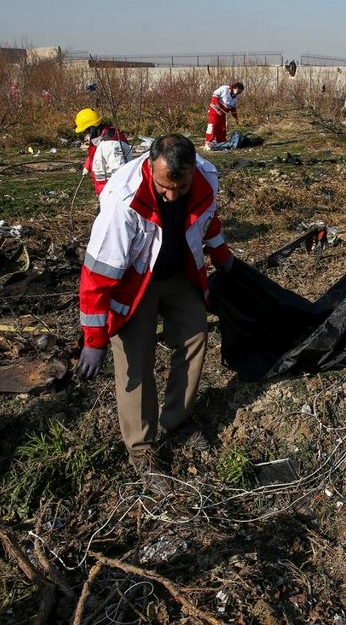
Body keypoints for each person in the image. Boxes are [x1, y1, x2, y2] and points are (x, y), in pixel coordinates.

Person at [74, 134, 234, 487]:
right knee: (136, 360)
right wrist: (94, 338)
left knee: (196, 335)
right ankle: (141, 447)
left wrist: (222, 255)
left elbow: (208, 219)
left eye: (181, 186)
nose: (172, 195)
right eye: (165, 187)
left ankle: (175, 420)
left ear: (193, 170)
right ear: (150, 166)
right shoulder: (123, 201)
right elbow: (97, 275)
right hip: (134, 283)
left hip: (178, 272)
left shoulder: (206, 177)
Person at [74, 108, 133, 196]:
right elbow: (95, 153)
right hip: (106, 193)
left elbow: (120, 173)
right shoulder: (102, 139)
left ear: (92, 129)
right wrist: (87, 166)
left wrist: (116, 199)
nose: (85, 136)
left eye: (85, 132)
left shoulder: (110, 145)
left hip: (114, 195)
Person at [205, 81, 244, 151]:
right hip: (214, 112)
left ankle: (221, 142)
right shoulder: (224, 89)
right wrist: (218, 109)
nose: (240, 93)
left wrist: (236, 118)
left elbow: (233, 109)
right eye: (239, 92)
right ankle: (208, 143)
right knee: (212, 127)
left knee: (222, 129)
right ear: (237, 89)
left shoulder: (234, 98)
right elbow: (214, 96)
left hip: (223, 115)